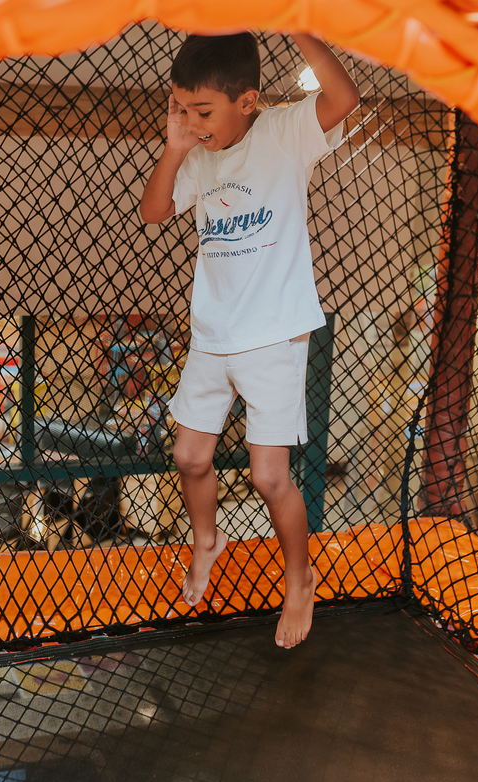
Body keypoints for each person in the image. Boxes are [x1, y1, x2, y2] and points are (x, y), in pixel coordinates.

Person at [139, 33, 358, 649]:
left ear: (249, 101)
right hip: (213, 337)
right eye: (180, 109)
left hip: (273, 339)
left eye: (202, 112)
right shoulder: (197, 155)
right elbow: (154, 213)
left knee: (268, 477)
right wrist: (174, 150)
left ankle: (299, 575)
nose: (190, 122)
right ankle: (206, 538)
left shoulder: (283, 133)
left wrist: (297, 23)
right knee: (189, 457)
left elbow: (344, 96)